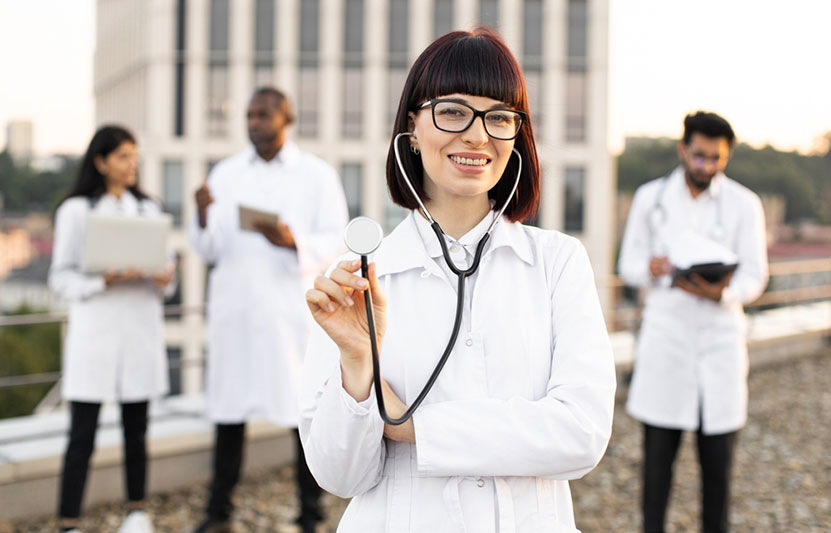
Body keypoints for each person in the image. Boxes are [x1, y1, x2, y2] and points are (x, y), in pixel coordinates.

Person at [300, 28, 617, 532]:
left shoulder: (558, 262)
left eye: (498, 117)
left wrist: (411, 427)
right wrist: (357, 366)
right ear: (413, 124)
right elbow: (340, 475)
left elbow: (581, 434)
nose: (476, 135)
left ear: (517, 135)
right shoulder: (357, 279)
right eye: (452, 111)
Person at [187, 87, 348, 533]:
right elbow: (210, 247)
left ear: (286, 119)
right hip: (236, 309)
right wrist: (201, 217)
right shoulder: (226, 173)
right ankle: (218, 513)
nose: (254, 122)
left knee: (300, 415)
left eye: (263, 115)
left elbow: (336, 241)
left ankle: (310, 515)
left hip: (287, 315)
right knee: (228, 415)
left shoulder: (316, 175)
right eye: (250, 115)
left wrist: (291, 240)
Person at [618, 111, 769, 533]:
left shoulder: (745, 203)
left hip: (720, 345)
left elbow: (756, 274)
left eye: (716, 159)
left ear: (727, 156)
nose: (706, 166)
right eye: (699, 156)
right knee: (656, 475)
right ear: (684, 149)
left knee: (718, 476)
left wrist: (724, 291)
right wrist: (653, 267)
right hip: (667, 345)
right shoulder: (651, 198)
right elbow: (628, 265)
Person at [49, 125, 175, 533]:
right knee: (81, 434)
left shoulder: (150, 210)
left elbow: (168, 281)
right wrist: (105, 280)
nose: (132, 164)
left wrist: (160, 278)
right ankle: (69, 520)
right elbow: (60, 278)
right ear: (101, 162)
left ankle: (136, 513)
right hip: (95, 334)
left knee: (136, 430)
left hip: (139, 331)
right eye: (123, 156)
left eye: (135, 156)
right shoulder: (76, 211)